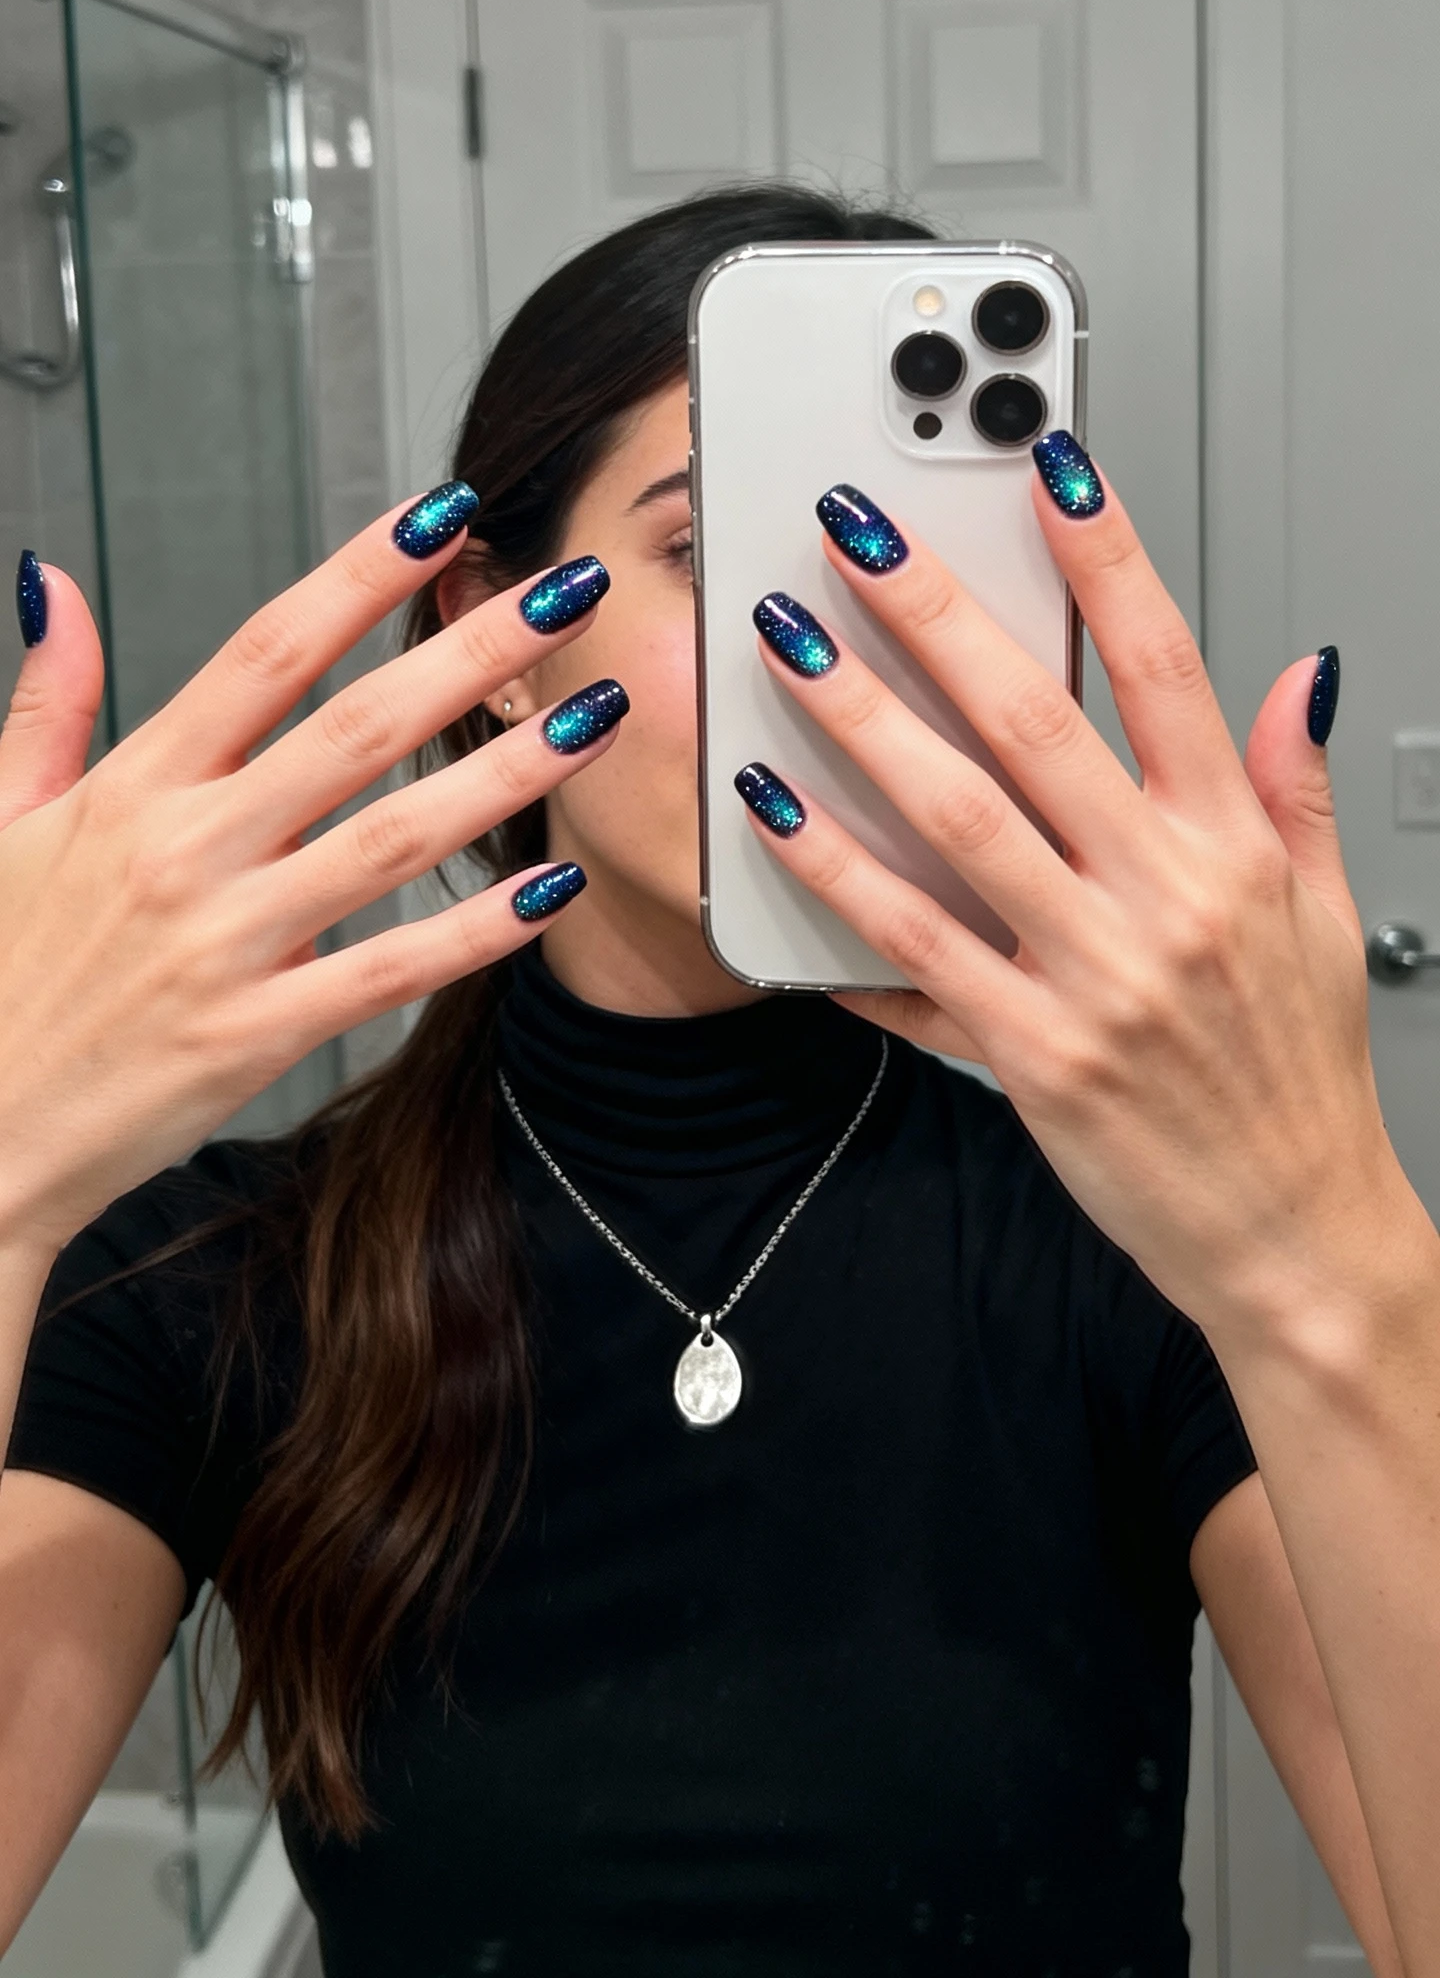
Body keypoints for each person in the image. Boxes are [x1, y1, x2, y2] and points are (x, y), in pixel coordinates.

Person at [0, 184, 1435, 1978]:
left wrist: (1329, 1260)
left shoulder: (1142, 1249)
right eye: (708, 546)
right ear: (501, 629)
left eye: (909, 563)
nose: (824, 658)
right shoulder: (217, 1283)